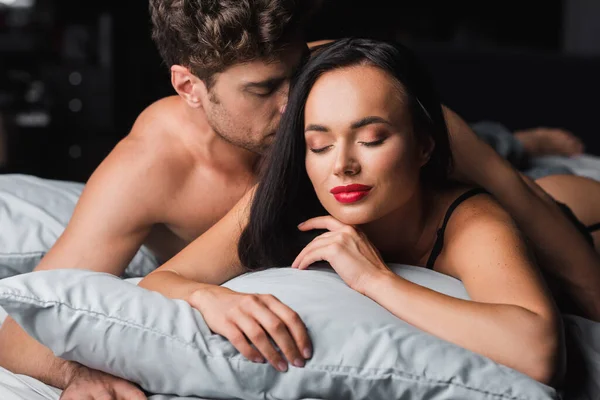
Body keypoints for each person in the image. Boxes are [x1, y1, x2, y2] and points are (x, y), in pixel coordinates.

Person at [0, 1, 598, 397]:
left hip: (489, 199)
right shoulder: (155, 165)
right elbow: (27, 323)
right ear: (189, 87)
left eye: (298, 71)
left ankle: (518, 141)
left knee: (523, 178)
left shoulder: (339, 80)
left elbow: (515, 205)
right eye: (264, 90)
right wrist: (81, 373)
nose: (295, 103)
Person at [139, 38, 564, 385]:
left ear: (423, 146)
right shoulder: (283, 199)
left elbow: (538, 352)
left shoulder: (470, 219)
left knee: (537, 180)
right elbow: (160, 281)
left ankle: (528, 143)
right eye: (319, 145)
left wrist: (375, 280)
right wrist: (210, 296)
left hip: (577, 207)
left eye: (373, 138)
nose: (342, 164)